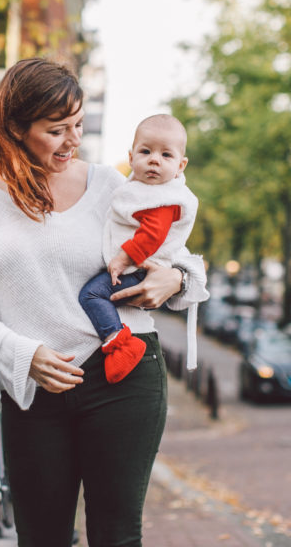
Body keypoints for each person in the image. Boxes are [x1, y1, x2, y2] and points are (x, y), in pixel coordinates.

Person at [0, 57, 209, 547]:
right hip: (33, 387)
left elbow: (180, 255)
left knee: (116, 535)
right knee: (41, 537)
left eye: (79, 125)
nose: (73, 140)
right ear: (16, 128)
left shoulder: (111, 185)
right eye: (56, 129)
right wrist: (21, 355)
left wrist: (176, 278)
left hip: (124, 379)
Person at [78, 113, 200, 383]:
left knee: (92, 295)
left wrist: (123, 257)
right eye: (146, 151)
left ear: (181, 165)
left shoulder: (164, 198)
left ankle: (120, 343)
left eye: (166, 155)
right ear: (131, 158)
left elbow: (153, 236)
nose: (154, 159)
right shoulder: (136, 189)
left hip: (141, 270)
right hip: (135, 267)